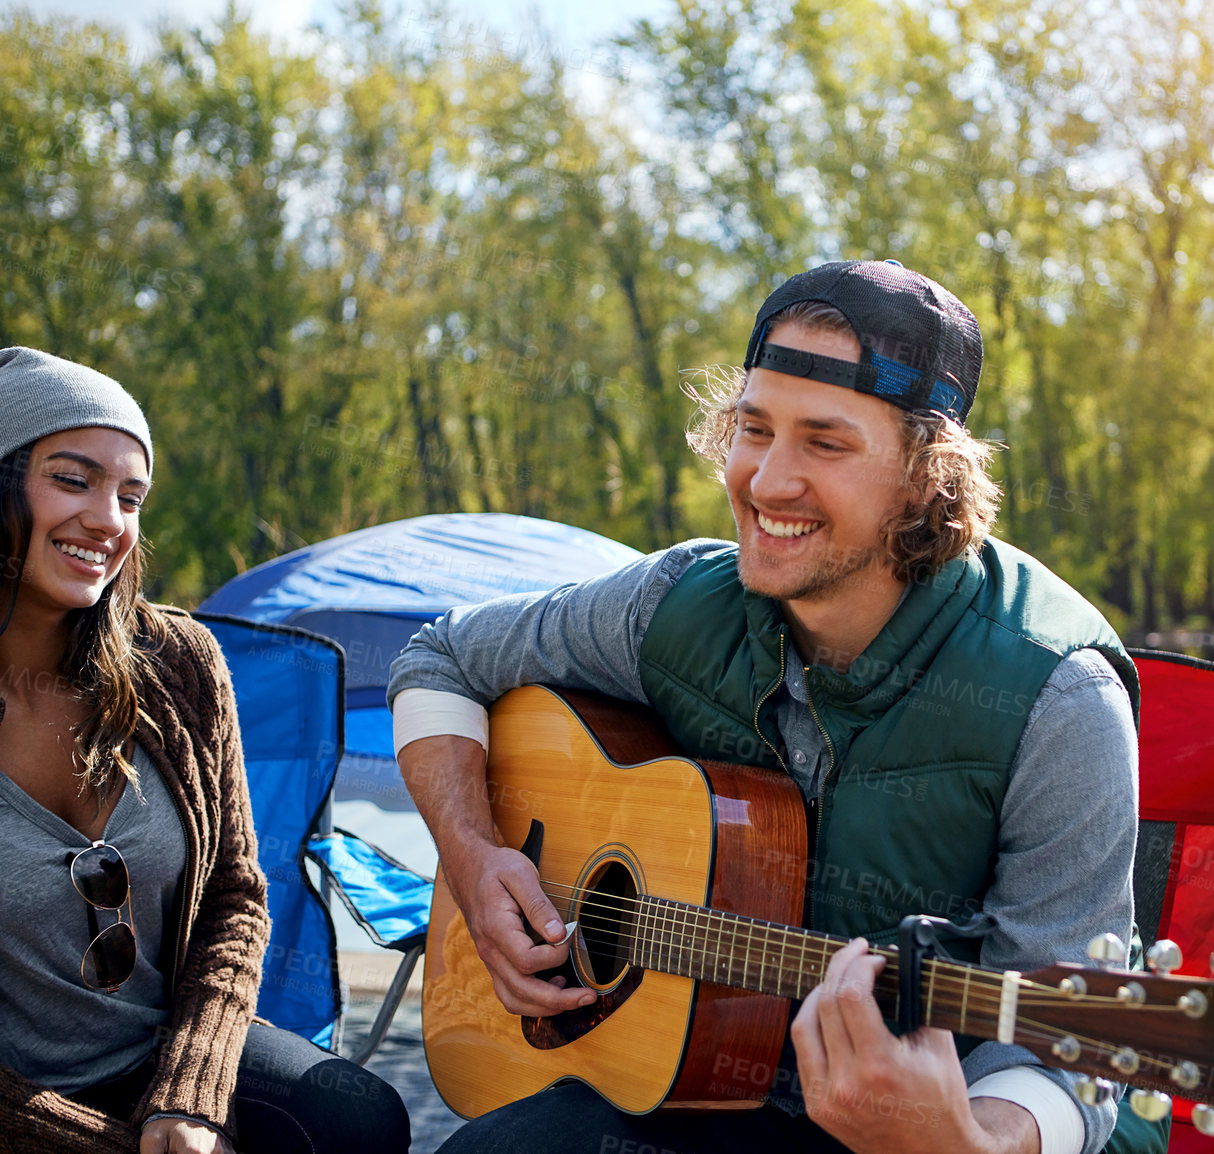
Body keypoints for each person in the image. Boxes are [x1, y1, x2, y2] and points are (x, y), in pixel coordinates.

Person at [389, 261, 1141, 1154]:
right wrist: (474, 859)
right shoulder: (674, 603)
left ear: (924, 476)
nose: (766, 482)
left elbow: (1077, 1052)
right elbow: (438, 659)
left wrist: (969, 1142)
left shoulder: (1058, 695)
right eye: (754, 429)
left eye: (824, 443)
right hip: (682, 1087)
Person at [0, 348, 412, 1154]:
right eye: (73, 480)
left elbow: (235, 896)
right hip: (19, 1104)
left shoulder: (178, 661)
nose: (109, 521)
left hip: (157, 1055)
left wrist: (187, 1099)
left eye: (131, 496)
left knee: (358, 1115)